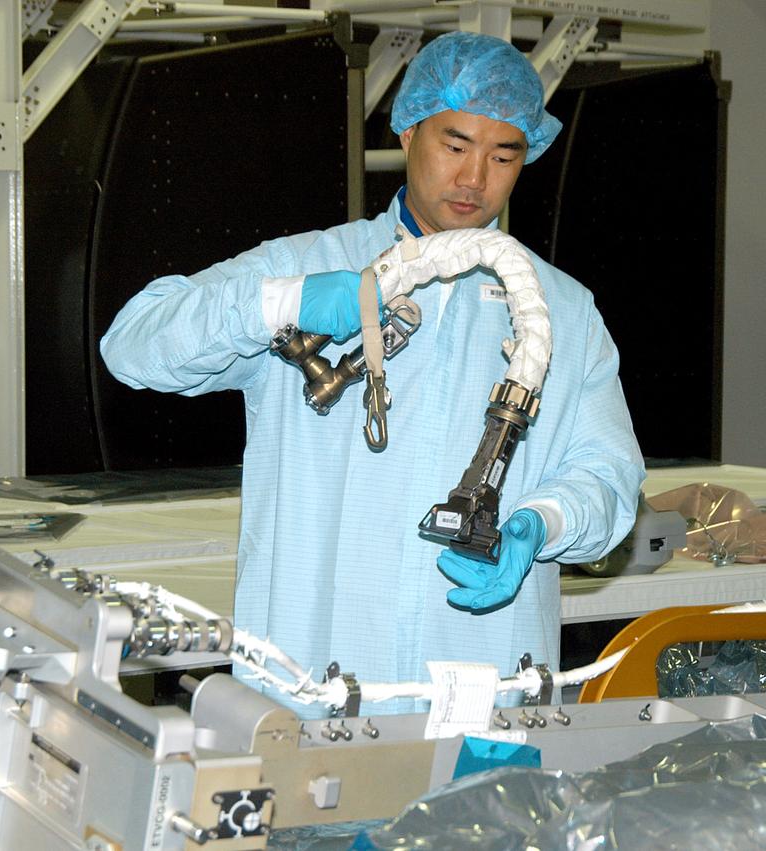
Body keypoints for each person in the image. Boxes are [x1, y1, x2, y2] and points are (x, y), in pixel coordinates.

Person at [100, 31, 644, 715]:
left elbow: (609, 475)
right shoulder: (312, 266)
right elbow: (134, 345)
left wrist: (543, 521)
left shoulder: (560, 309)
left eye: (503, 154)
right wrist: (286, 303)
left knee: (478, 820)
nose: (475, 179)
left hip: (480, 692)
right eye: (455, 146)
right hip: (307, 688)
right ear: (409, 130)